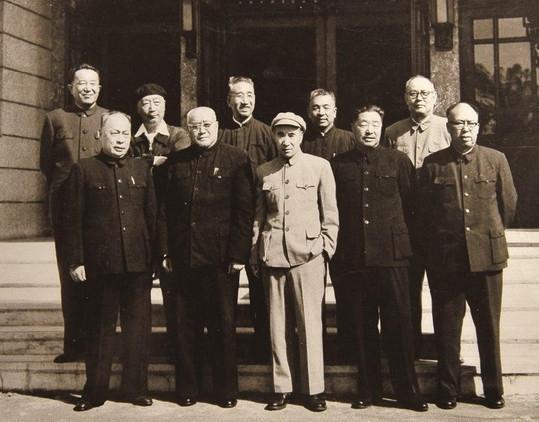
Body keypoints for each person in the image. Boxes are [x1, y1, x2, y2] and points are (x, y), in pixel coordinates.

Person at [419, 102, 517, 410]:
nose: (466, 130)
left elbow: (508, 205)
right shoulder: (433, 164)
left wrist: (487, 238)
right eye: (459, 124)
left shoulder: (496, 159)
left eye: (471, 124)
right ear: (448, 128)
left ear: (479, 127)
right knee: (447, 327)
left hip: (487, 258)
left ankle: (493, 389)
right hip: (447, 260)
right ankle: (447, 389)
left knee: (488, 325)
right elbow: (425, 213)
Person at [331, 105, 428, 412]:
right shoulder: (338, 165)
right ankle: (368, 389)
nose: (369, 129)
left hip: (392, 257)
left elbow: (413, 209)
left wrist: (410, 252)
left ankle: (407, 391)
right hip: (353, 257)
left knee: (398, 324)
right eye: (363, 124)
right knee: (362, 326)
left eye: (375, 124)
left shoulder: (399, 161)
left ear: (382, 128)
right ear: (353, 128)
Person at [158, 106, 254, 408]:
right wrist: (166, 251)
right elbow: (164, 211)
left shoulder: (236, 159)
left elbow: (244, 211)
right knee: (185, 327)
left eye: (207, 125)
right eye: (195, 126)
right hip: (183, 257)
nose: (201, 130)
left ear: (217, 126)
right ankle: (188, 388)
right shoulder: (176, 161)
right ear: (188, 129)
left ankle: (225, 391)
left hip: (220, 260)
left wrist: (238, 254)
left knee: (222, 326)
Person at [64, 111, 156, 411]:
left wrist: (155, 257)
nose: (120, 139)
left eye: (125, 134)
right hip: (101, 265)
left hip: (137, 265)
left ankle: (135, 389)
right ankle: (94, 392)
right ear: (100, 135)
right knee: (99, 330)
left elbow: (152, 216)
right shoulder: (83, 170)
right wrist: (76, 261)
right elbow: (72, 220)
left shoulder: (141, 169)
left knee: (137, 330)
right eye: (114, 133)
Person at [251, 112, 338, 412]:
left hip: (308, 255)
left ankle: (313, 389)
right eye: (280, 135)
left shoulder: (319, 167)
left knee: (310, 324)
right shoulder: (264, 171)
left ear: (301, 136)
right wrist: (255, 252)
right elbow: (258, 217)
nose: (286, 141)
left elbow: (330, 214)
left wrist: (325, 249)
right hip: (273, 254)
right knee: (278, 325)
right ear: (273, 137)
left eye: (291, 135)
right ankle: (282, 388)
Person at [39, 63, 108, 363]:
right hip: (67, 210)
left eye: (93, 83)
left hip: (100, 209)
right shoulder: (55, 119)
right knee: (70, 278)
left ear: (99, 88)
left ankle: (98, 347)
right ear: (71, 88)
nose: (87, 88)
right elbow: (46, 164)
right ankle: (74, 346)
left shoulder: (109, 118)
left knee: (99, 279)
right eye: (81, 83)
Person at [384, 75, 451, 356]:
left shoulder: (448, 128)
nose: (419, 98)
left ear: (435, 97)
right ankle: (409, 350)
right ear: (405, 98)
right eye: (413, 93)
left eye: (425, 93)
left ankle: (444, 351)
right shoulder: (392, 132)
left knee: (442, 291)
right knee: (407, 291)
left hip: (438, 225)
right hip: (405, 223)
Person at [220, 75, 277, 362]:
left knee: (260, 289)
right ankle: (226, 353)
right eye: (239, 95)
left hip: (258, 218)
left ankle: (263, 350)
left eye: (250, 95)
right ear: (228, 100)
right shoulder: (219, 133)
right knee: (223, 292)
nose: (245, 101)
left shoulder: (267, 133)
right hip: (226, 222)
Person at [131, 83, 190, 356]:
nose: (151, 108)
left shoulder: (179, 135)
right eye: (146, 102)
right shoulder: (131, 138)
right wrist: (154, 161)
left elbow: (180, 164)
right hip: (140, 220)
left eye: (157, 102)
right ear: (138, 108)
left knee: (174, 288)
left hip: (170, 219)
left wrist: (145, 163)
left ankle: (177, 347)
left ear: (165, 106)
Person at [302, 88, 355, 160]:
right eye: (316, 108)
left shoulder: (350, 139)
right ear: (309, 112)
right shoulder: (301, 140)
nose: (321, 113)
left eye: (326, 107)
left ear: (335, 112)